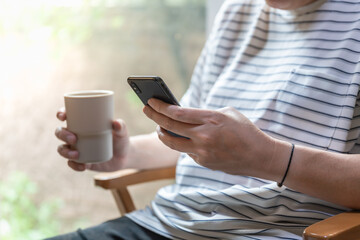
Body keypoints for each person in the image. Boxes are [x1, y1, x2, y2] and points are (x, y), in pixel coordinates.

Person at [52, 0, 360, 239]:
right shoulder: (239, 12)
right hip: (166, 224)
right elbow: (201, 140)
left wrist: (270, 159)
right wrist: (126, 154)